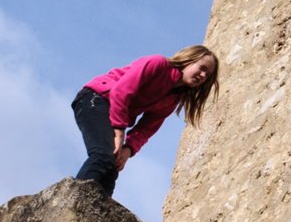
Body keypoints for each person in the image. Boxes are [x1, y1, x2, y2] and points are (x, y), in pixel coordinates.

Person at [72, 45, 219, 195]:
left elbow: (147, 129)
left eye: (207, 75)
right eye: (201, 68)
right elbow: (121, 92)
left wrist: (128, 149)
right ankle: (74, 202)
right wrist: (119, 130)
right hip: (96, 98)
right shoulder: (158, 64)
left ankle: (97, 213)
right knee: (103, 155)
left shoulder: (173, 99)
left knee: (112, 167)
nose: (202, 75)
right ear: (189, 59)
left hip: (114, 114)